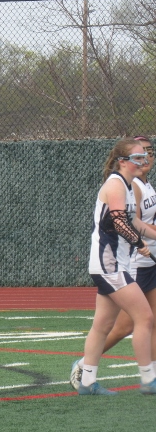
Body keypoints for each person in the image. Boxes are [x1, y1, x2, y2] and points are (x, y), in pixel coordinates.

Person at [71, 136, 156, 389]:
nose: (144, 161)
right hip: (109, 265)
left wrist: (149, 235)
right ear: (122, 161)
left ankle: (86, 382)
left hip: (115, 265)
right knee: (144, 318)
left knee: (103, 325)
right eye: (138, 157)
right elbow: (120, 221)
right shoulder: (116, 184)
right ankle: (149, 379)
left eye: (145, 156)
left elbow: (136, 222)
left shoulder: (129, 186)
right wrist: (139, 244)